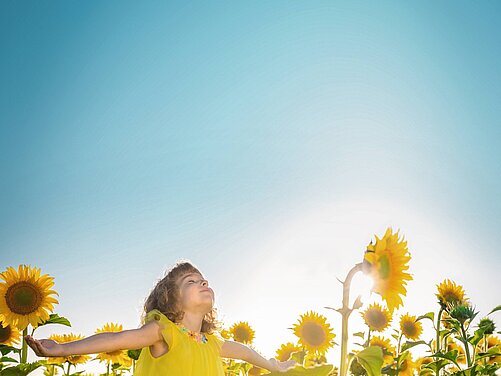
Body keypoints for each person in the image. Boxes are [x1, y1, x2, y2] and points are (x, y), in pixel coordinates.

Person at [25, 260, 297, 375]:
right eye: (192, 281)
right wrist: (62, 349)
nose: (204, 283)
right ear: (171, 298)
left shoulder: (213, 343)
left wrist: (275, 366)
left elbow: (247, 353)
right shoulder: (162, 332)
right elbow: (116, 340)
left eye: (204, 280)